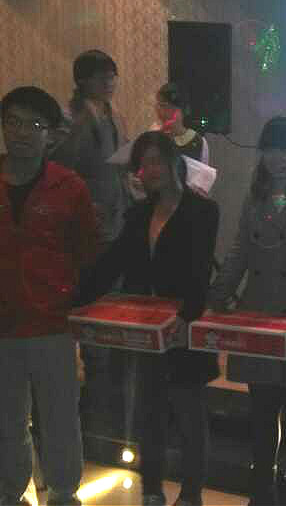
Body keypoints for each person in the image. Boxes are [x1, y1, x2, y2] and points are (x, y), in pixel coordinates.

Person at [0, 86, 98, 506]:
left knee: (61, 417)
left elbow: (86, 248)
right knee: (7, 420)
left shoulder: (69, 187)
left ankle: (64, 494)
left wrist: (59, 290)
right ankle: (13, 493)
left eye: (33, 124)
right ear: (2, 126)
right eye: (13, 122)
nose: (22, 132)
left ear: (50, 134)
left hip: (52, 323)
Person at [80, 131, 220, 506]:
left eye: (156, 161)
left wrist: (187, 316)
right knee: (149, 414)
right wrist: (76, 299)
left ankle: (191, 494)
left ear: (174, 161)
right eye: (143, 165)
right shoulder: (139, 214)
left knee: (190, 415)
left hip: (185, 327)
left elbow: (200, 270)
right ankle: (152, 491)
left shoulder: (203, 210)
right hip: (145, 329)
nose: (150, 170)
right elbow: (112, 264)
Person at [207, 116, 286, 506]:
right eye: (271, 150)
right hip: (258, 316)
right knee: (261, 413)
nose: (278, 159)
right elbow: (239, 252)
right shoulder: (255, 196)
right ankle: (261, 492)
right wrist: (216, 298)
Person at [50, 49, 131, 433]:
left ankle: (106, 382)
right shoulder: (70, 117)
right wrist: (84, 122)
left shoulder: (115, 114)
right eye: (103, 77)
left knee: (111, 298)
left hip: (115, 216)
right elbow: (59, 161)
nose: (110, 83)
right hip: (81, 223)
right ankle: (85, 383)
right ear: (83, 80)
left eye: (113, 77)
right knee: (84, 298)